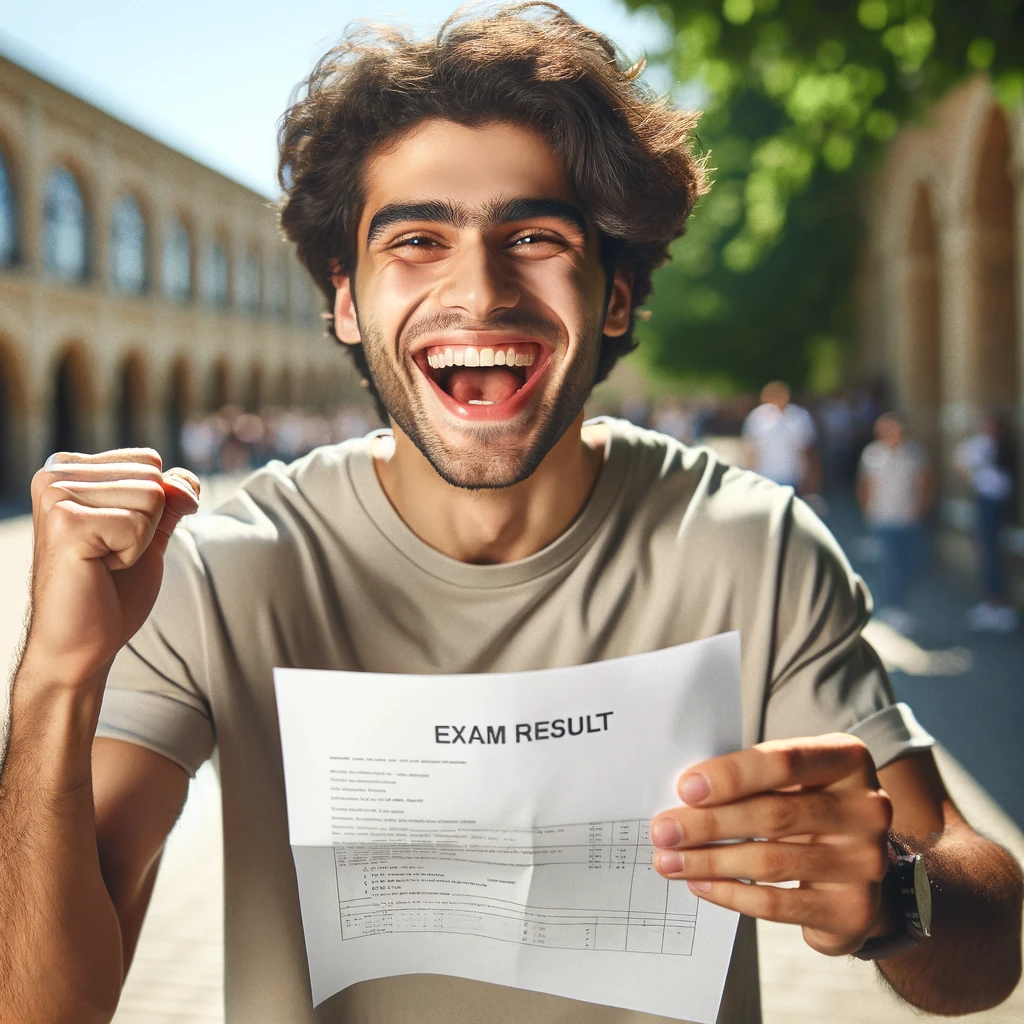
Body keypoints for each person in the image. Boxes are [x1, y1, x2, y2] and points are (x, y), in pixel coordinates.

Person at [2, 7, 1021, 1024]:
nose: (480, 290)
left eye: (534, 237)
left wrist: (893, 892)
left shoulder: (748, 546)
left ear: (614, 295)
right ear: (346, 300)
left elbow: (986, 956)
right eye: (418, 239)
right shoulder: (221, 572)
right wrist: (53, 677)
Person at [856, 413, 933, 634]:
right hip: (882, 517)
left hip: (907, 517)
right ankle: (893, 607)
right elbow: (865, 484)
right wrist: (867, 511)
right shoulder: (872, 453)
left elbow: (925, 482)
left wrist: (921, 508)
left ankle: (898, 603)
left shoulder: (914, 453)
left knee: (909, 562)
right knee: (890, 564)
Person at [954, 416, 1019, 632]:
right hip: (989, 501)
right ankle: (994, 603)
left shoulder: (988, 445)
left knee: (990, 554)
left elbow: (961, 462)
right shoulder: (992, 446)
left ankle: (997, 604)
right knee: (989, 553)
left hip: (992, 503)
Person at [741, 381, 820, 496]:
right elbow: (751, 451)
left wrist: (809, 481)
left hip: (792, 478)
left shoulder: (799, 417)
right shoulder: (756, 417)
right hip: (764, 478)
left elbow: (807, 452)